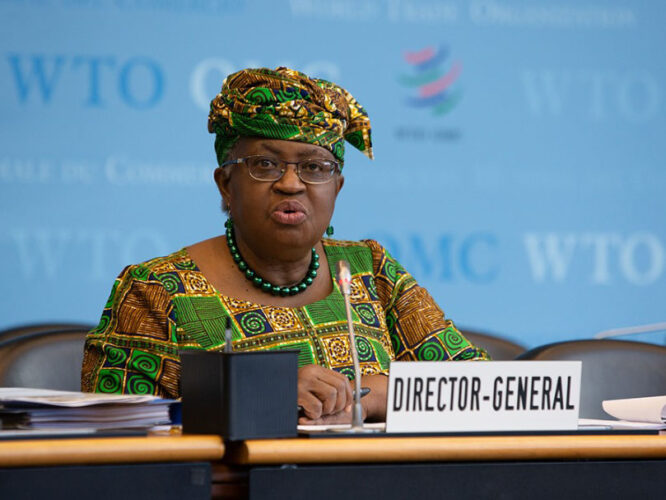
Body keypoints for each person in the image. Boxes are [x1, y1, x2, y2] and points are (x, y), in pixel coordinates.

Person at [81, 67, 489, 425]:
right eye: (265, 164)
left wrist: (369, 395)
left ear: (337, 188)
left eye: (314, 167)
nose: (291, 183)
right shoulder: (158, 289)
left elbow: (479, 389)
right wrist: (261, 393)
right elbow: (112, 428)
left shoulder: (371, 270)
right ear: (226, 184)